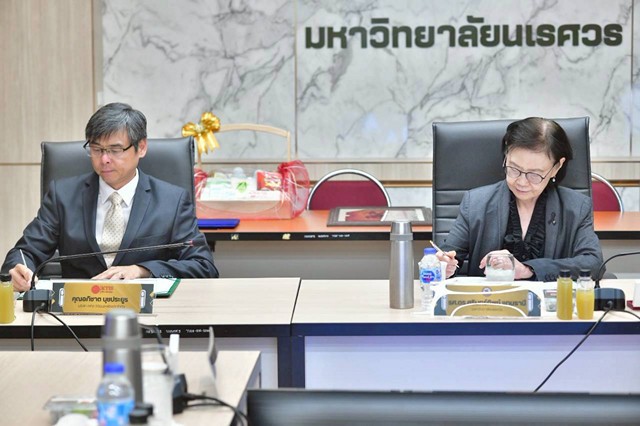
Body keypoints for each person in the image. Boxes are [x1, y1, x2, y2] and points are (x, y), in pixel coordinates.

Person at [2, 103, 218, 291]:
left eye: (115, 150)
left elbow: (203, 266)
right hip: (76, 312)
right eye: (96, 149)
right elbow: (24, 251)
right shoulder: (63, 196)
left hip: (147, 311)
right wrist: (18, 270)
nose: (104, 159)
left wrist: (142, 270)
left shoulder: (172, 201)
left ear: (141, 148)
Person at [437, 117, 603, 282]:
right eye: (514, 169)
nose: (522, 182)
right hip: (487, 297)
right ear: (506, 156)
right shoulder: (475, 203)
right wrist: (445, 265)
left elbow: (593, 263)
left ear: (556, 167)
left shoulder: (577, 207)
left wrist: (527, 270)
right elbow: (450, 255)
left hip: (550, 299)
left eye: (534, 174)